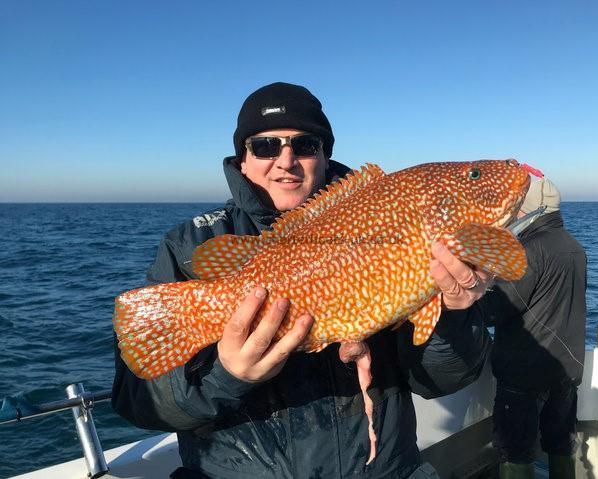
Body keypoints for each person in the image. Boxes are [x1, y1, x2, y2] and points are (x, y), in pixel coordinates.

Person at [112, 82, 494, 479]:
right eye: (265, 146)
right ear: (242, 160)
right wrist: (226, 375)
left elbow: (439, 381)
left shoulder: (405, 231)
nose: (286, 160)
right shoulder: (188, 246)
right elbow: (138, 401)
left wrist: (455, 313)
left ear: (325, 156)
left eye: (305, 145)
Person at [478, 178, 587, 479]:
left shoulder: (526, 251)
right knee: (560, 444)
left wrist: (475, 291)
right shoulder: (574, 246)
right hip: (566, 370)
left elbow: (497, 310)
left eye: (516, 210)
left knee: (514, 449)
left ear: (530, 211)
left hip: (525, 375)